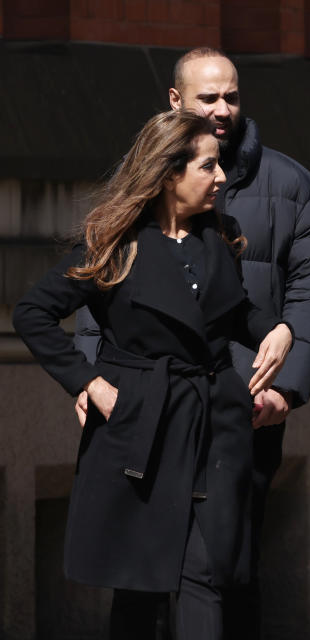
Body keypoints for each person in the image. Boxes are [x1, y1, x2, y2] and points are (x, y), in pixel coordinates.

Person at [74, 47, 310, 637]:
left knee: (226, 569)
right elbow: (104, 284)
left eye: (232, 96)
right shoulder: (145, 179)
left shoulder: (292, 185)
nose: (222, 108)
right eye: (207, 97)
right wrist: (91, 376)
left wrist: (287, 391)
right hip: (147, 409)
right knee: (140, 569)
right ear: (175, 101)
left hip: (242, 408)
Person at [13, 110, 294, 639]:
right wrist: (88, 382)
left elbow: (232, 313)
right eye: (208, 166)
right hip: (143, 424)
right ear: (169, 173)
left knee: (204, 572)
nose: (221, 177)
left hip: (213, 423)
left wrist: (275, 329)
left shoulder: (221, 235)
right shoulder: (115, 243)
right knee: (139, 583)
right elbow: (33, 313)